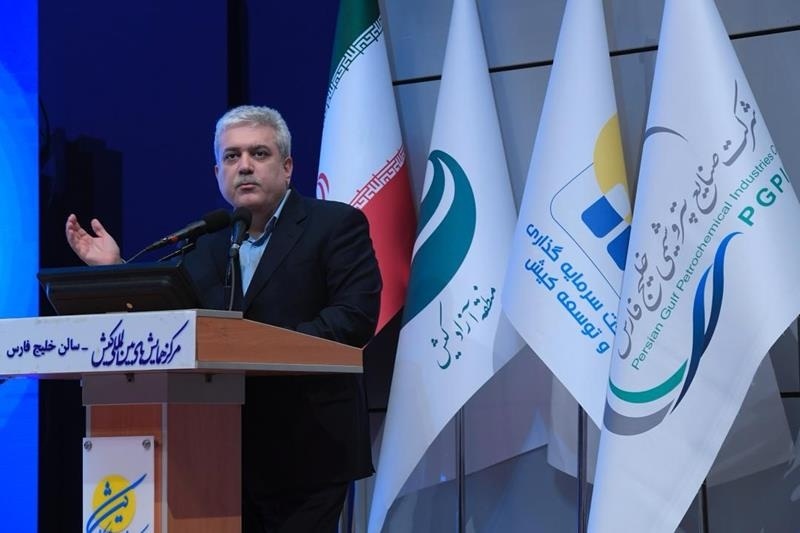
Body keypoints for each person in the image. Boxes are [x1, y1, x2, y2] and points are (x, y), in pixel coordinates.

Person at [65, 105, 382, 532]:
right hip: (217, 448)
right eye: (232, 156)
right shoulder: (204, 242)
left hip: (309, 448)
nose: (244, 166)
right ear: (217, 172)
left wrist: (258, 347)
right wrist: (116, 270)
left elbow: (353, 319)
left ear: (287, 167)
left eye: (259, 153)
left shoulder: (336, 225)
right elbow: (169, 321)